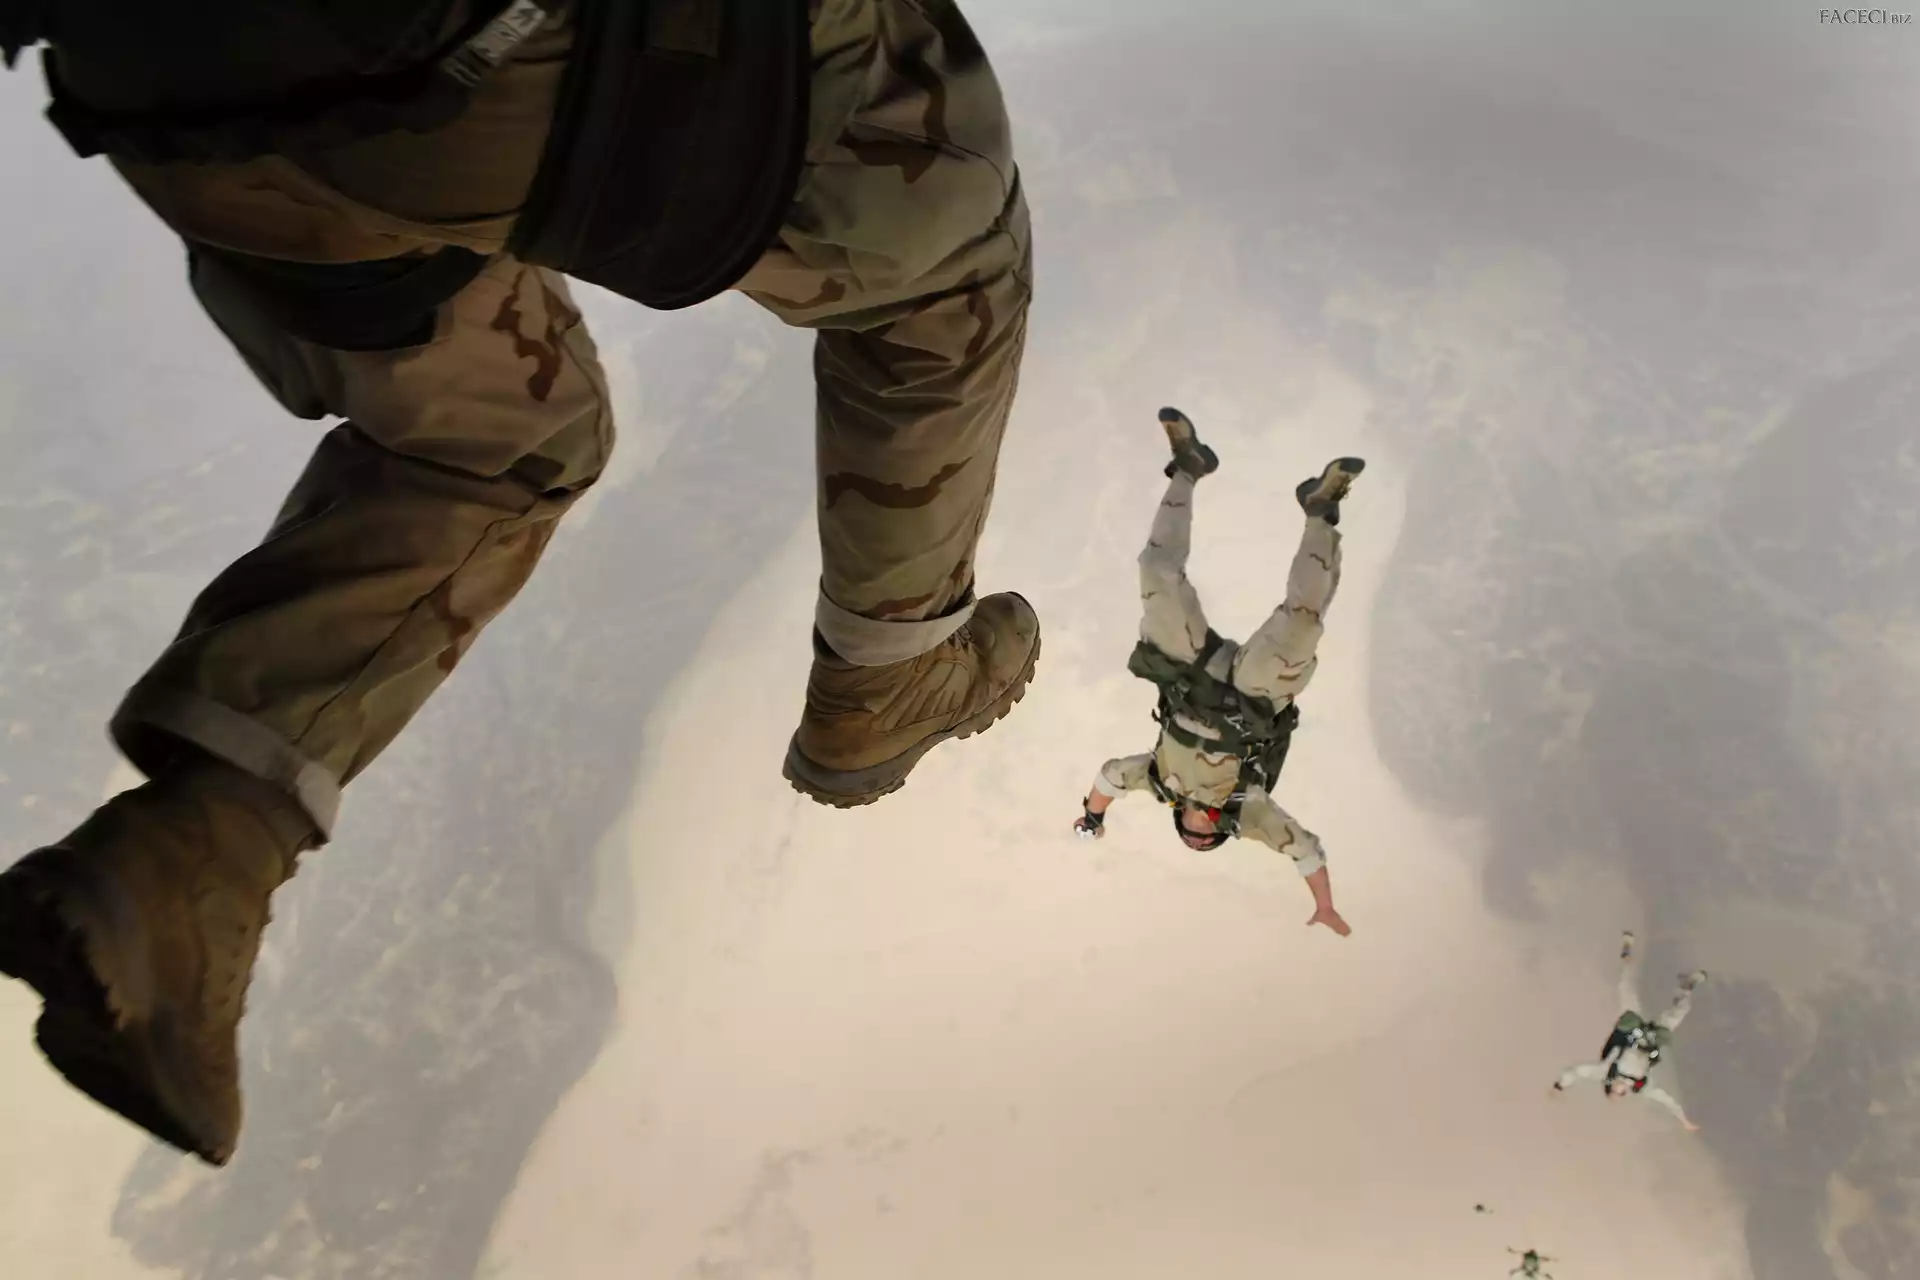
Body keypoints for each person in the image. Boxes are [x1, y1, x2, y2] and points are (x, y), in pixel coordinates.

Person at [0, 0, 1038, 1166]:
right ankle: (889, 673)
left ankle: (197, 865)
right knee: (950, 247)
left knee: (497, 432)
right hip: (433, 52)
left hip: (162, 90)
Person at [1072, 408, 1359, 936]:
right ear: (1223, 830)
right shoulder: (1247, 811)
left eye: (1192, 834)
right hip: (1253, 699)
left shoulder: (1158, 781)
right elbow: (1303, 850)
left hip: (1192, 678)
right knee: (1302, 624)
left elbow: (1109, 776)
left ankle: (1188, 466)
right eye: (1208, 836)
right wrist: (1324, 903)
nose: (1199, 828)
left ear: (1179, 820)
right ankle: (1321, 512)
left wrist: (1093, 817)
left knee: (1156, 572)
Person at [1551, 931, 1707, 1131]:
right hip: (1652, 1038)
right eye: (1621, 1094)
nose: (1620, 1090)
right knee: (1681, 1010)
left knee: (1626, 986)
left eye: (1614, 1091)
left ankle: (1627, 952)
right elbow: (1666, 1100)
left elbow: (1576, 1071)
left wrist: (1559, 1086)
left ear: (1609, 1086)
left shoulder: (1605, 1071)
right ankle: (1686, 987)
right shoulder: (1642, 1087)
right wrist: (1683, 1120)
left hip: (1631, 1028)